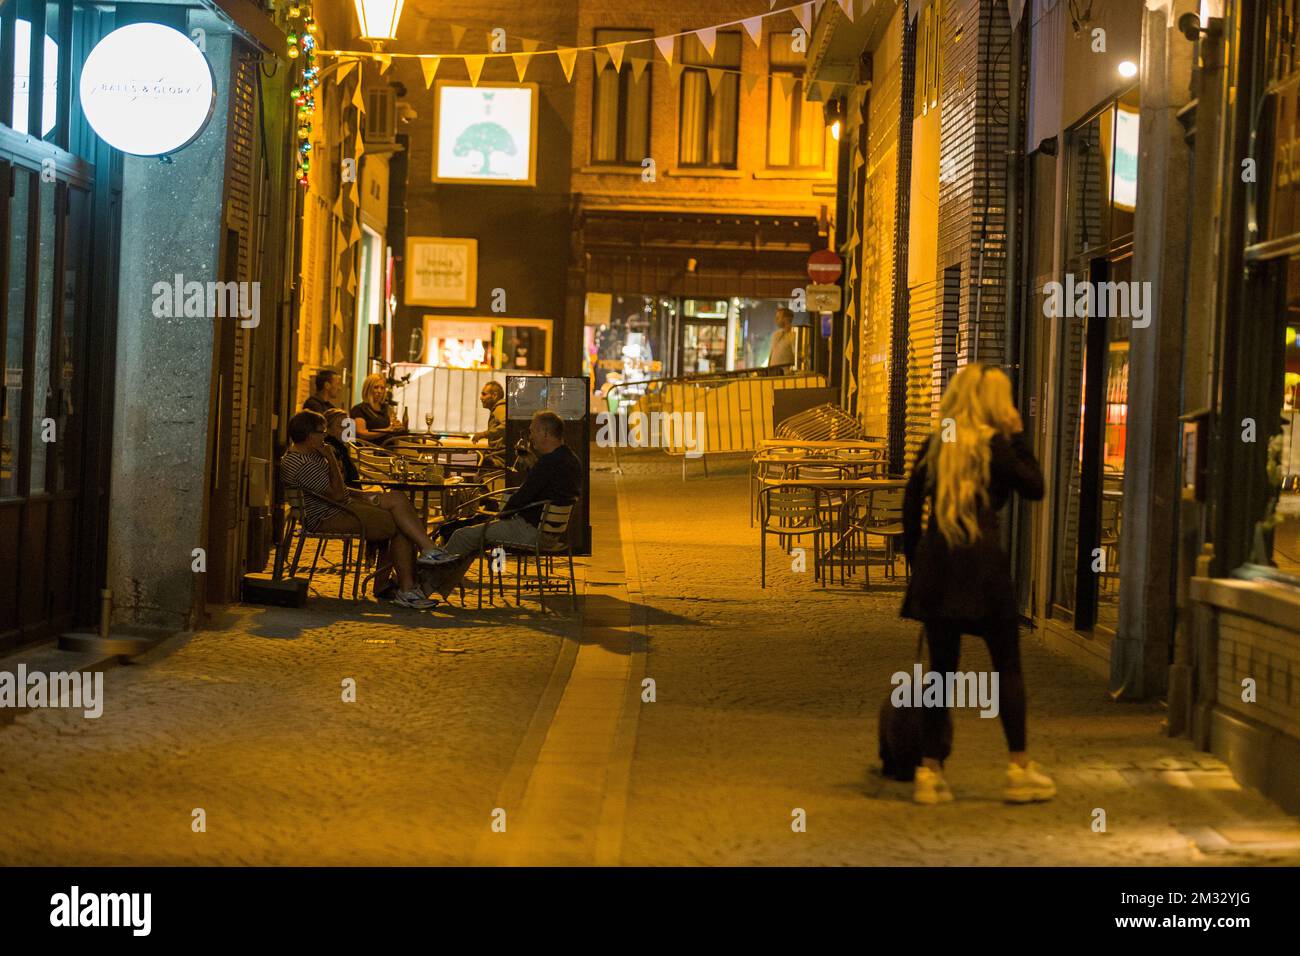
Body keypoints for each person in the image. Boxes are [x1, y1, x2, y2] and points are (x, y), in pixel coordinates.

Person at [900, 363, 1053, 806]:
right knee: (1007, 666)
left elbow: (911, 511)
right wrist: (1017, 435)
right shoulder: (998, 448)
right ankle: (1019, 768)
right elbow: (1037, 487)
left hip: (939, 566)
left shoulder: (936, 445)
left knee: (940, 673)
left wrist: (918, 565)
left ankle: (930, 774)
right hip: (984, 570)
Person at [281, 410, 446, 609]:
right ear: (309, 436)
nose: (324, 436)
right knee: (399, 524)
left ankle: (422, 558)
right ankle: (408, 587)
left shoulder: (303, 455)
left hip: (338, 507)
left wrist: (363, 495)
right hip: (330, 515)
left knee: (396, 499)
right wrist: (331, 458)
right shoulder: (304, 462)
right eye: (321, 432)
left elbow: (335, 492)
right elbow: (338, 495)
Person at [419, 410, 582, 596]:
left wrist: (499, 515)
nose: (530, 437)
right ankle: (434, 587)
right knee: (473, 539)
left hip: (531, 531)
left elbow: (522, 497)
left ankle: (424, 588)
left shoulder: (549, 463)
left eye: (532, 431)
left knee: (461, 535)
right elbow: (542, 490)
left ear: (545, 433)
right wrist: (533, 466)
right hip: (551, 532)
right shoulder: (569, 459)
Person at [351, 373, 405, 445]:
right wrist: (387, 430)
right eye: (376, 387)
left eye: (382, 388)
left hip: (389, 448)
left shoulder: (385, 408)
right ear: (368, 389)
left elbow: (392, 426)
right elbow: (361, 433)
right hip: (371, 452)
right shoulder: (359, 409)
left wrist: (397, 427)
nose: (379, 391)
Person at [471, 380, 507, 467]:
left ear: (494, 395)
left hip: (499, 460)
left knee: (468, 460)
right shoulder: (498, 409)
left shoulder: (500, 408)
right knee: (471, 456)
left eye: (484, 394)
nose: (481, 397)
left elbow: (506, 426)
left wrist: (483, 434)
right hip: (496, 456)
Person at [323, 408, 360, 488]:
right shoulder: (330, 450)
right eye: (341, 426)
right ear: (327, 429)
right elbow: (339, 486)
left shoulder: (341, 448)